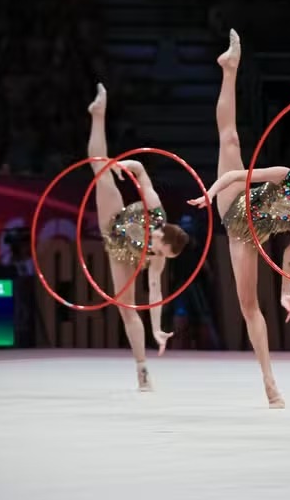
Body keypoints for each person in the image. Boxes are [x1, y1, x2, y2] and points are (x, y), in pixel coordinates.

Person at [187, 30, 290, 408]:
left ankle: (270, 383)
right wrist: (209, 194)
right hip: (234, 202)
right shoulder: (286, 176)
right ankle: (229, 68)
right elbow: (237, 176)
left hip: (246, 236)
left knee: (250, 306)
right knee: (230, 140)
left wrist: (285, 293)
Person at [86, 83, 190, 391]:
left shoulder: (157, 258)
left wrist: (158, 329)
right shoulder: (156, 210)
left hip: (122, 253)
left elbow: (155, 294)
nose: (162, 260)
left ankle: (142, 368)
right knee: (100, 170)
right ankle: (99, 113)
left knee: (128, 308)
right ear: (162, 240)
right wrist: (123, 165)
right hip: (119, 222)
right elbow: (142, 171)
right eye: (165, 254)